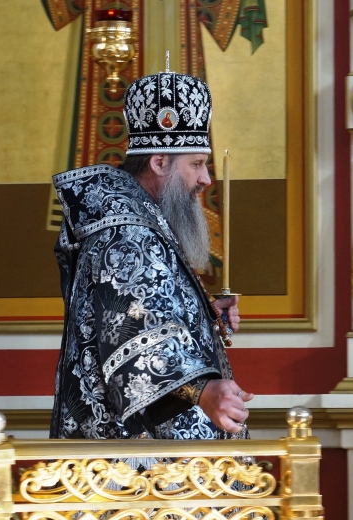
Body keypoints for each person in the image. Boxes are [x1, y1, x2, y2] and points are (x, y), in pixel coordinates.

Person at [49, 69, 253, 440]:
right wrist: (203, 390)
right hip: (137, 462)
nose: (206, 180)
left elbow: (140, 304)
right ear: (159, 162)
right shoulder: (126, 234)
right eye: (196, 164)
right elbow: (131, 330)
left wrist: (204, 311)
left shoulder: (138, 218)